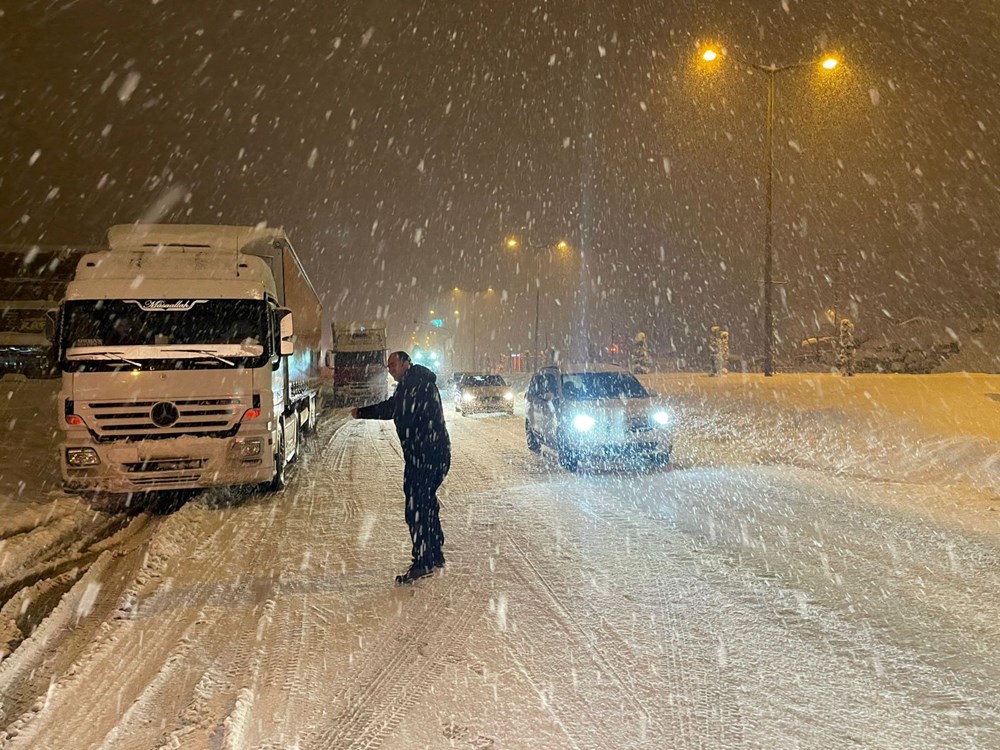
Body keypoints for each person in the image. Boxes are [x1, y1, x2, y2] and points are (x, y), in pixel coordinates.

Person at [351, 351, 451, 584]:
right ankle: (434, 552)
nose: (390, 369)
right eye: (388, 366)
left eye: (393, 364)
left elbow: (393, 409)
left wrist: (363, 412)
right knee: (426, 502)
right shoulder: (413, 383)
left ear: (406, 363)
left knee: (416, 507)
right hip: (430, 455)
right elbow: (397, 408)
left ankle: (423, 560)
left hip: (426, 457)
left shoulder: (415, 385)